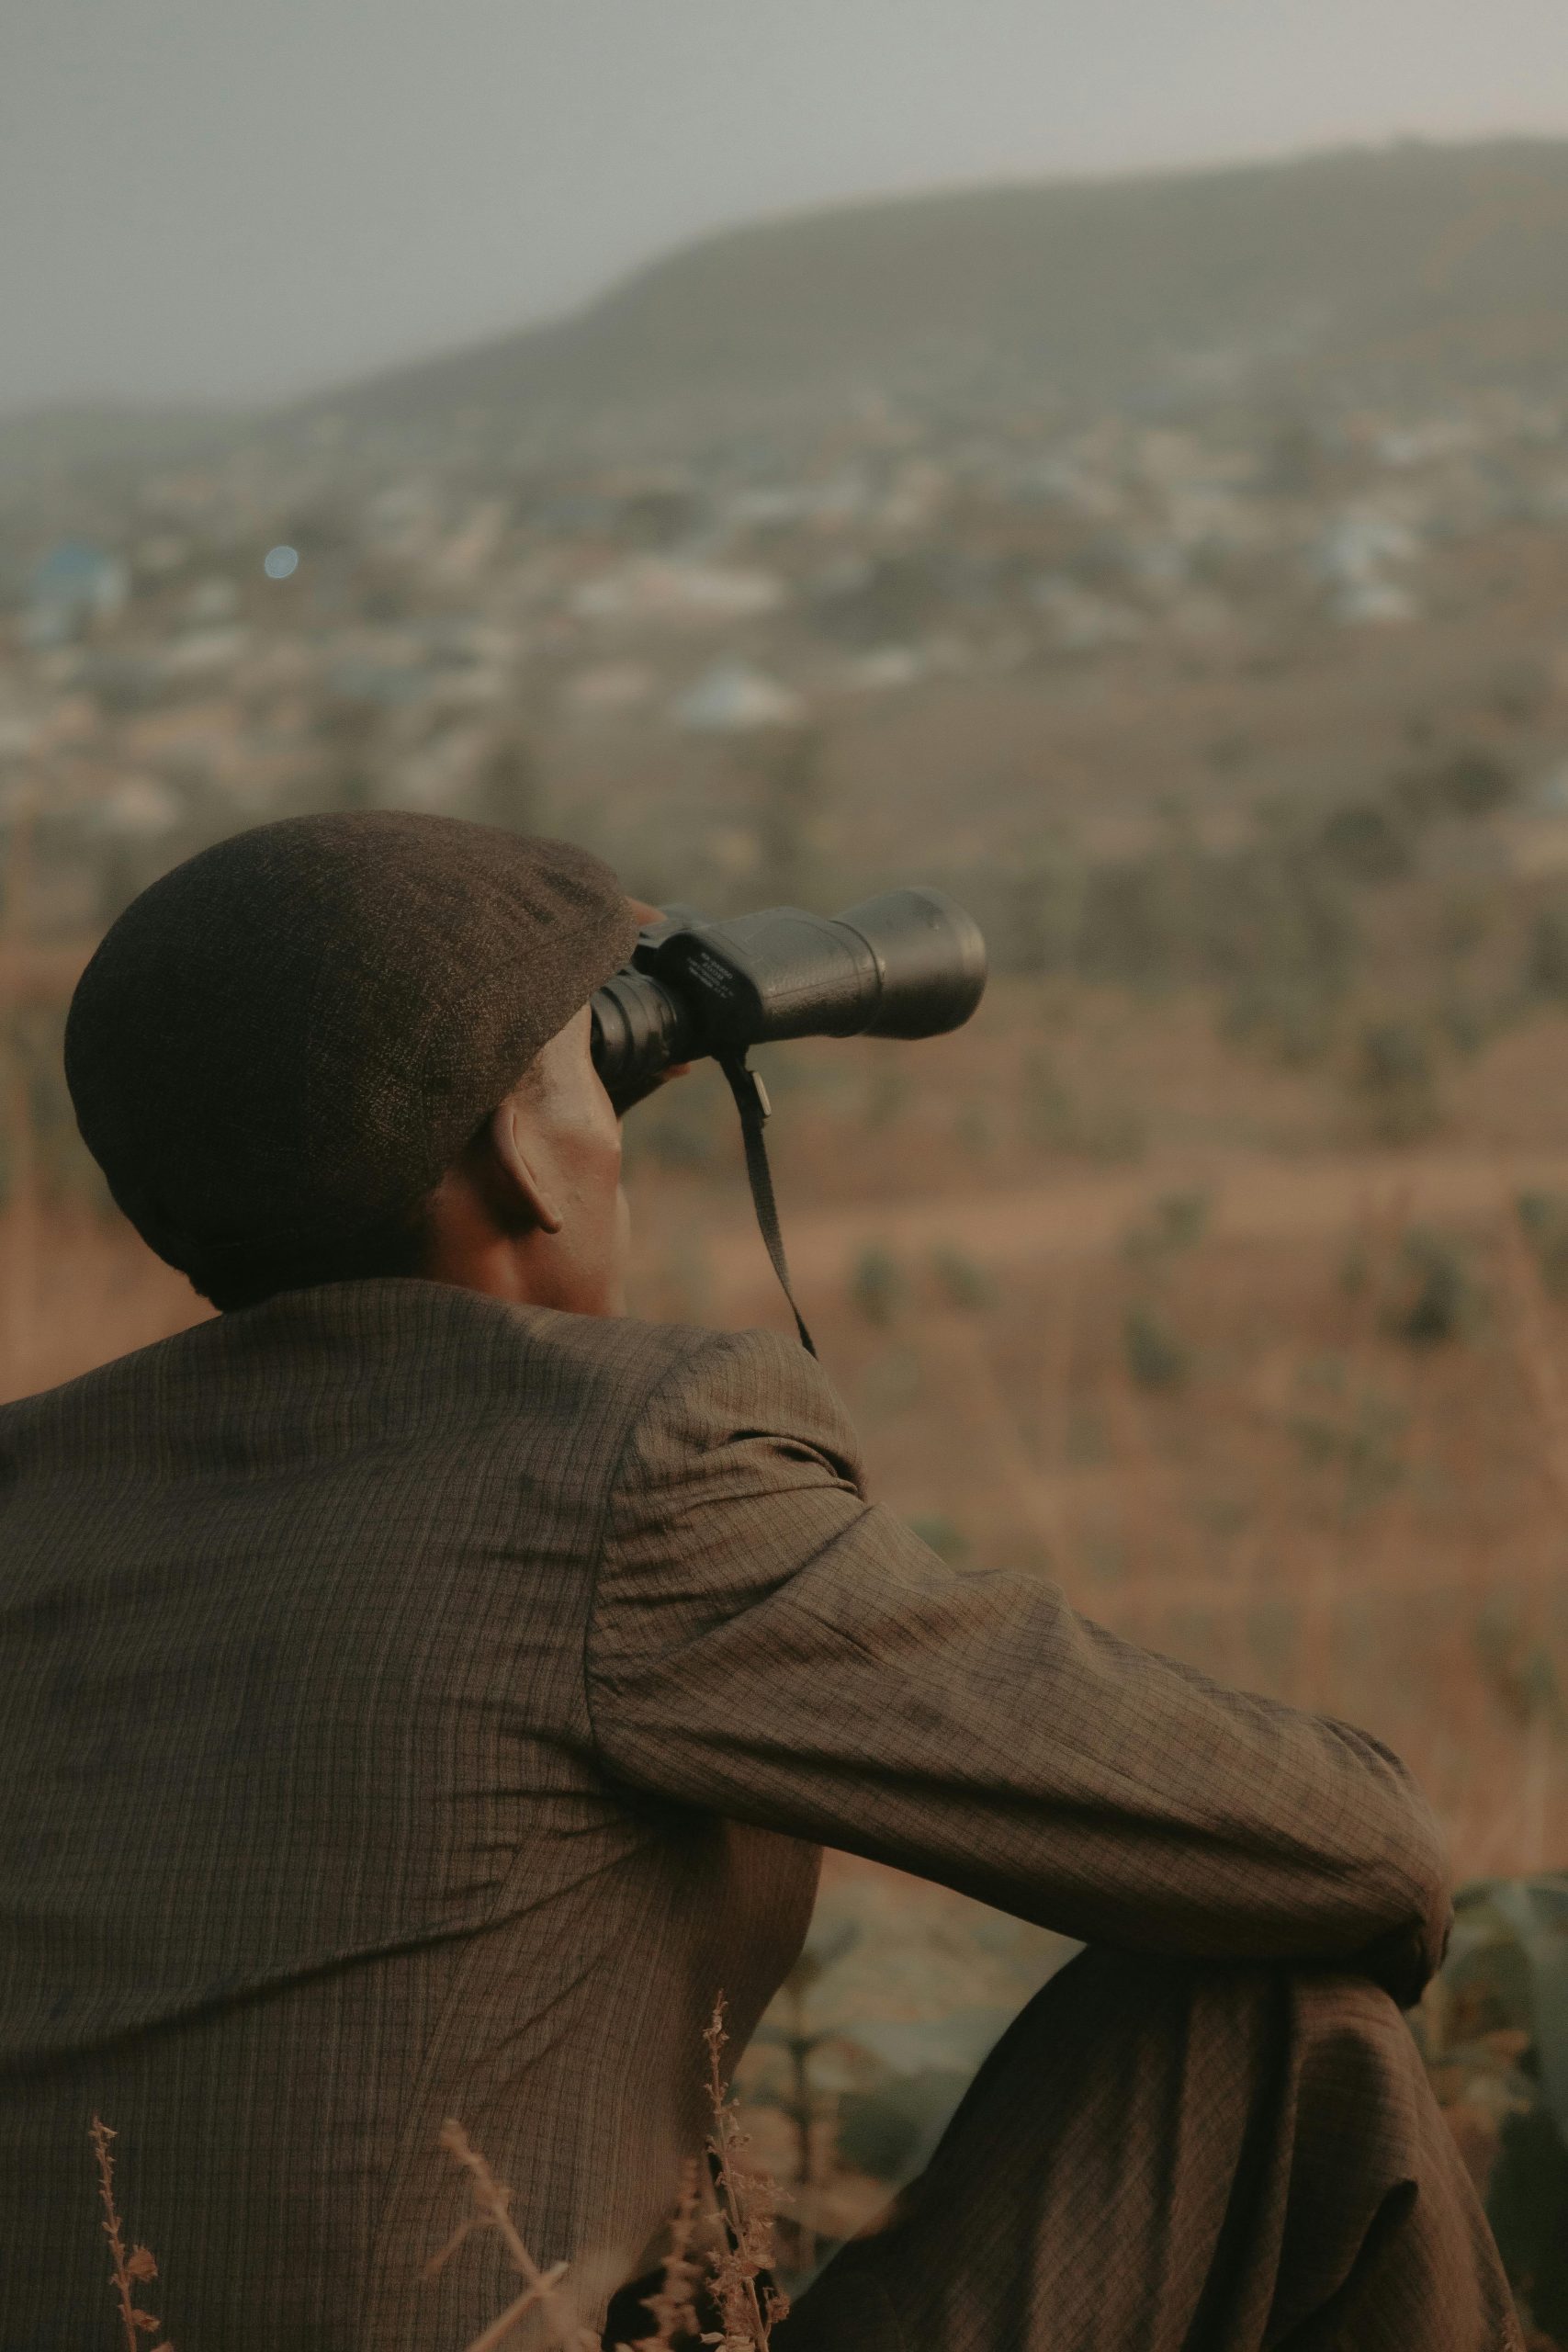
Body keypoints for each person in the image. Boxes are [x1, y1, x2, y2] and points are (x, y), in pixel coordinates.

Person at [0, 812, 1518, 2352]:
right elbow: (1358, 1854)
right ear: (530, 1149)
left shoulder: (31, 1486)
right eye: (588, 1088)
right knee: (1284, 2032)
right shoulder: (620, 1468)